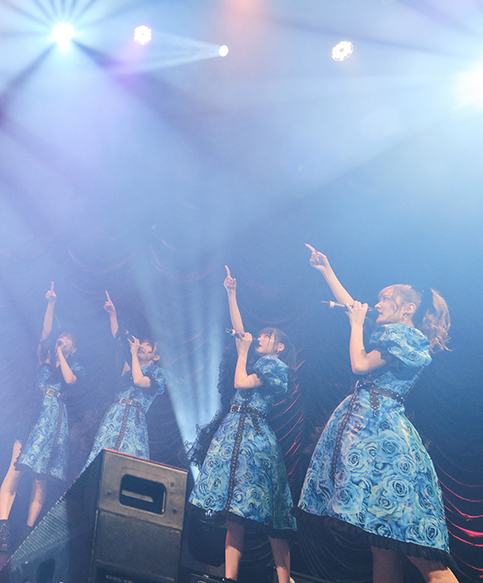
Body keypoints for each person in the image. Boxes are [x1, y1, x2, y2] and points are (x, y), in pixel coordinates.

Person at [297, 244, 457, 583]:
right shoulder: (393, 333)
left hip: (386, 444)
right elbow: (352, 307)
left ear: (408, 308)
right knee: (381, 547)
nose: (378, 303)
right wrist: (327, 271)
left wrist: (356, 325)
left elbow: (359, 364)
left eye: (386, 299)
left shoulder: (406, 337)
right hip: (372, 438)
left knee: (422, 558)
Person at [187, 266, 296, 583]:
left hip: (255, 439)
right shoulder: (255, 359)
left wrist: (245, 349)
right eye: (260, 334)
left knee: (271, 516)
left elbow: (241, 381)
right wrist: (231, 293)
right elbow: (240, 334)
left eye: (267, 336)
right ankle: (229, 578)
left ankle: (284, 579)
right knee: (233, 515)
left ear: (279, 347)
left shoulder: (275, 367)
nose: (260, 337)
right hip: (233, 432)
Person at [0, 282, 83, 551]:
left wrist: (62, 355)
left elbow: (69, 379)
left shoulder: (76, 365)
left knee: (40, 478)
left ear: (74, 347)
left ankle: (27, 533)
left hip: (54, 423)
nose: (63, 339)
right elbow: (45, 334)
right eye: (62, 336)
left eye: (69, 338)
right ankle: (3, 527)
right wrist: (51, 304)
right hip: (32, 416)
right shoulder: (44, 357)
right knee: (15, 469)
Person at [83, 291, 167, 470]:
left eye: (148, 345)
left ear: (156, 355)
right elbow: (119, 340)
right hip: (114, 417)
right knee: (101, 461)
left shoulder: (158, 374)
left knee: (126, 466)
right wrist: (113, 315)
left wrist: (134, 353)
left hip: (134, 423)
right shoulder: (129, 365)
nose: (143, 346)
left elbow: (139, 380)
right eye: (142, 343)